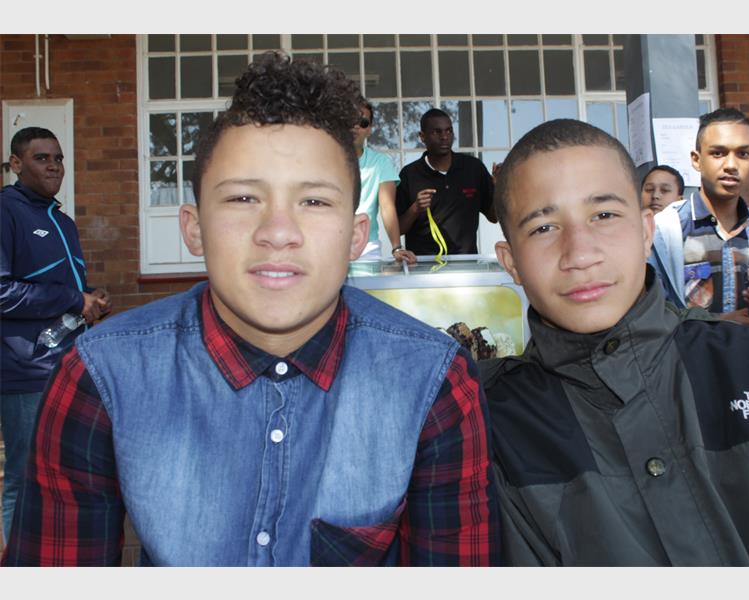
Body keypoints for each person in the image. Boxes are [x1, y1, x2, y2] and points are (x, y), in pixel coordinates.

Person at [1, 52, 499, 567]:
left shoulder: (433, 381)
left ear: (356, 236)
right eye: (242, 199)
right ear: (194, 228)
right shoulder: (101, 376)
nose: (278, 233)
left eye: (314, 201)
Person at [481, 118, 749, 566]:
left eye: (604, 215)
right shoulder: (494, 426)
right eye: (544, 228)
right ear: (511, 261)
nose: (580, 254)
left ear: (647, 231)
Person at [0, 127, 111, 544]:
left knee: (64, 472)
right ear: (16, 164)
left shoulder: (62, 221)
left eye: (59, 158)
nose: (54, 166)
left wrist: (90, 300)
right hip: (25, 371)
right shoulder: (6, 211)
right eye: (42, 158)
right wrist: (72, 298)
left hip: (67, 364)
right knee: (24, 476)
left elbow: (61, 290)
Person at [649, 107, 749, 352]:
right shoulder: (662, 233)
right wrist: (715, 323)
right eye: (718, 153)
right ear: (696, 160)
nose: (731, 165)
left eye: (743, 154)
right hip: (684, 371)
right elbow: (642, 316)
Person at [396, 108, 497, 256]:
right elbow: (398, 229)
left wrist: (500, 189)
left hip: (467, 263)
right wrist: (415, 208)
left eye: (449, 131)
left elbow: (494, 217)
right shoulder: (409, 174)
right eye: (437, 132)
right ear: (422, 137)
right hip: (422, 265)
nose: (444, 137)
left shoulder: (473, 168)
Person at [352, 98, 416, 264]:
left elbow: (387, 206)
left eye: (363, 123)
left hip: (366, 249)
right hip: (328, 244)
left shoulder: (380, 162)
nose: (356, 126)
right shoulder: (324, 160)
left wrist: (397, 247)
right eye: (350, 120)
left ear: (369, 130)